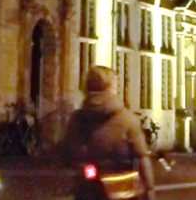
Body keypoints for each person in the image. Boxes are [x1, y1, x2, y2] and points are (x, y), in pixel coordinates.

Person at [60, 66, 156, 200]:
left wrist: (84, 167)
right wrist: (149, 189)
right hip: (124, 189)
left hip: (89, 190)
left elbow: (67, 153)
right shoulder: (127, 119)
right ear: (111, 87)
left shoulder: (77, 119)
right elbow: (141, 157)